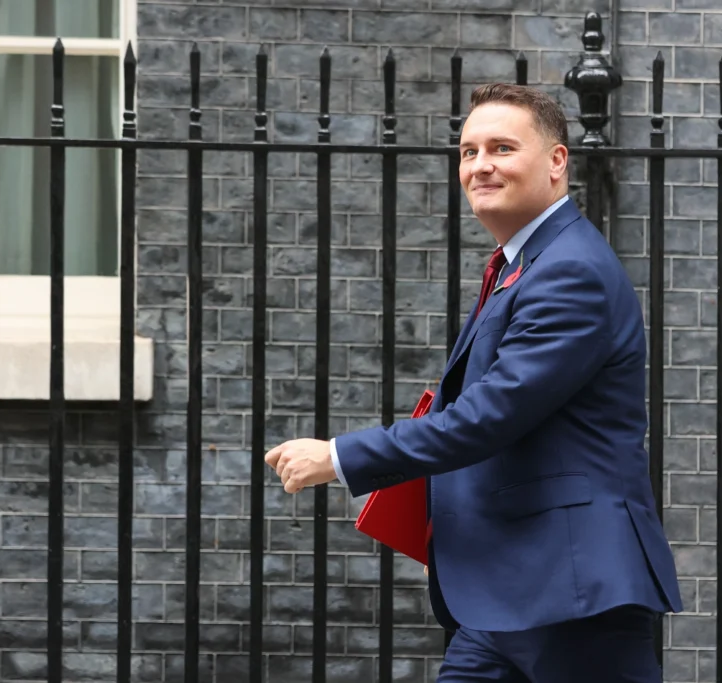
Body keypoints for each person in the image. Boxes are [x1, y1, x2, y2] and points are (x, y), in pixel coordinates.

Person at [264, 83, 682, 682]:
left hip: (570, 594)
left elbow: (487, 417)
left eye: (502, 148)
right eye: (468, 151)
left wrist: (338, 456)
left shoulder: (571, 273)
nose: (480, 165)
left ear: (557, 162)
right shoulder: (527, 264)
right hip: (504, 594)